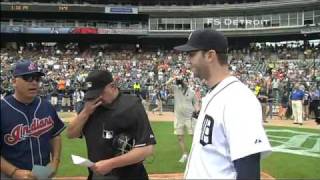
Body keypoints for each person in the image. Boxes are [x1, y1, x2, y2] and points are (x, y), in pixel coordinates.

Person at [174, 29, 271, 179]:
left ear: (210, 55)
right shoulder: (215, 93)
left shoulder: (238, 99)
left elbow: (248, 171)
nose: (188, 59)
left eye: (192, 54)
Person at [67, 70, 156, 180]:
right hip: (98, 176)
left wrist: (110, 164)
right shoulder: (90, 106)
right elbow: (71, 134)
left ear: (112, 86)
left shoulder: (131, 106)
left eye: (100, 93)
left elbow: (146, 149)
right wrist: (86, 112)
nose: (97, 98)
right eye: (93, 94)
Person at [1, 60, 66, 179]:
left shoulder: (46, 106)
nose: (34, 82)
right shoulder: (2, 108)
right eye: (28, 78)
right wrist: (13, 172)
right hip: (9, 176)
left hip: (43, 174)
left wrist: (55, 160)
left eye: (37, 78)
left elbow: (55, 135)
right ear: (14, 81)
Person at [166, 76, 200, 163]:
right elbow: (167, 84)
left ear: (185, 82)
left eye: (181, 81)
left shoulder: (192, 92)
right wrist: (174, 78)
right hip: (179, 118)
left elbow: (196, 103)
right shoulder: (176, 89)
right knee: (180, 137)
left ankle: (197, 154)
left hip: (189, 118)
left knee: (194, 137)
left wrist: (198, 112)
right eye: (179, 81)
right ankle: (185, 154)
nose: (180, 82)